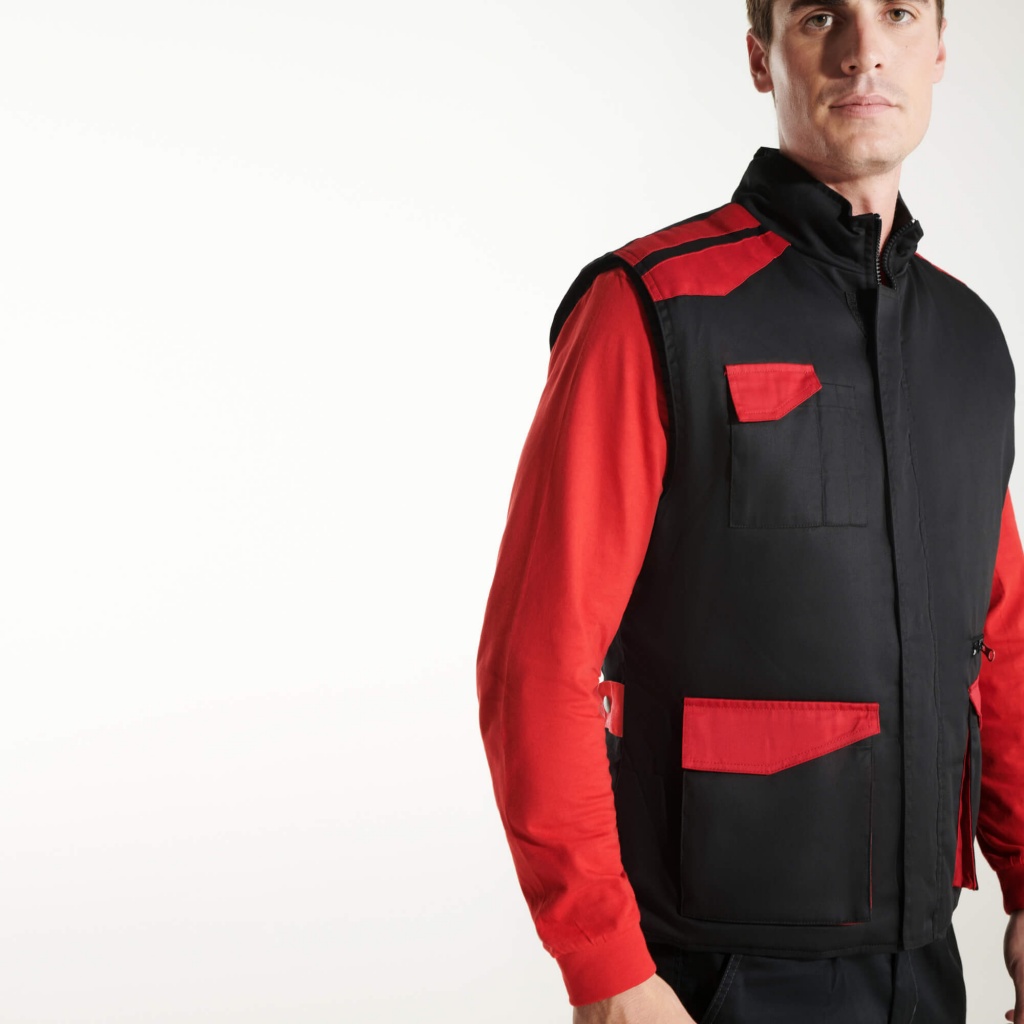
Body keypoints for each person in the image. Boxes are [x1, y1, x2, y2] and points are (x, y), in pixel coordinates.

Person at [476, 1, 1024, 1021]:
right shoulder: (652, 305)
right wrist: (606, 968)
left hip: (924, 959)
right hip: (711, 973)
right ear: (760, 58)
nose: (863, 51)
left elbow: (1000, 641)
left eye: (897, 14)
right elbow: (537, 657)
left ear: (940, 50)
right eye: (819, 16)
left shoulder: (968, 339)